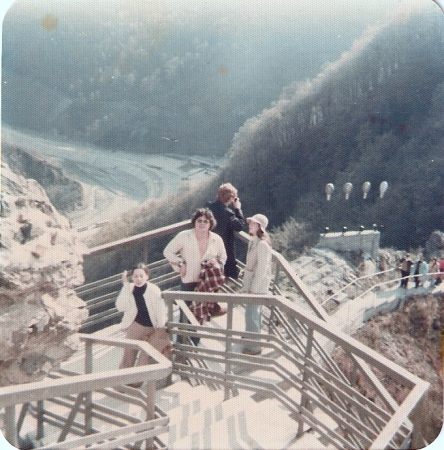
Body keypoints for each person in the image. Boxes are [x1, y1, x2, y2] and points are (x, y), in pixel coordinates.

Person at [163, 208, 227, 344]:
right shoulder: (184, 236)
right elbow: (168, 251)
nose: (202, 224)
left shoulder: (216, 239)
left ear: (210, 224)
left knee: (200, 315)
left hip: (206, 285)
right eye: (199, 220)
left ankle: (194, 346)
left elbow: (223, 257)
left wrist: (216, 267)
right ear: (194, 222)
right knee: (185, 315)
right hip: (189, 282)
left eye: (205, 221)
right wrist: (181, 263)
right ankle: (181, 347)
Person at [115, 262, 171, 387]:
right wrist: (125, 285)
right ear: (132, 277)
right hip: (136, 325)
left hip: (153, 328)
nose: (138, 279)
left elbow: (160, 311)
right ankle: (121, 381)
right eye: (135, 276)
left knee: (145, 356)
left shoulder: (154, 290)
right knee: (128, 353)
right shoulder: (129, 288)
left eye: (141, 276)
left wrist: (161, 329)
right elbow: (120, 306)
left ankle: (135, 383)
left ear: (147, 276)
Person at [241, 214, 272, 356]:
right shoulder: (254, 241)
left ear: (260, 227)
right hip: (252, 283)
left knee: (252, 314)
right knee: (252, 312)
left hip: (257, 286)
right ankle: (251, 337)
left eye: (253, 223)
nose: (250, 225)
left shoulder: (262, 245)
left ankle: (254, 347)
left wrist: (253, 289)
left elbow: (262, 269)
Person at [207, 183, 245, 279]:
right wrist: (237, 208)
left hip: (207, 245)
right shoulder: (228, 213)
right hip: (222, 249)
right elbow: (239, 226)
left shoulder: (208, 206)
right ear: (231, 199)